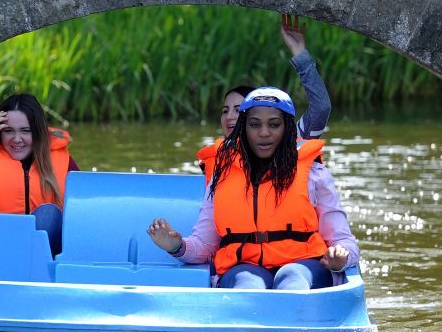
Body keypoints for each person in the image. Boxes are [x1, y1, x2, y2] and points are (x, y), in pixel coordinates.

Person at [148, 87, 358, 290]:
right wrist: (176, 246)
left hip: (305, 266)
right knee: (248, 285)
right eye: (255, 125)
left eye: (274, 125)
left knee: (291, 279)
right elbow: (203, 246)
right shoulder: (222, 175)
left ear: (287, 128)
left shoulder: (315, 174)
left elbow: (344, 241)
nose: (264, 133)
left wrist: (341, 257)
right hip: (243, 268)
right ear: (243, 128)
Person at [197, 14, 331, 182]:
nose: (229, 116)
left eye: (238, 110)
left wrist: (300, 55)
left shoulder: (289, 141)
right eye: (225, 111)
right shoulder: (218, 158)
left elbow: (321, 107)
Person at [0, 93, 77, 255]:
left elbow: (81, 215)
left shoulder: (64, 161)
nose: (17, 139)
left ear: (38, 133)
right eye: (9, 131)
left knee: (48, 213)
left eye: (25, 131)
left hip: (40, 256)